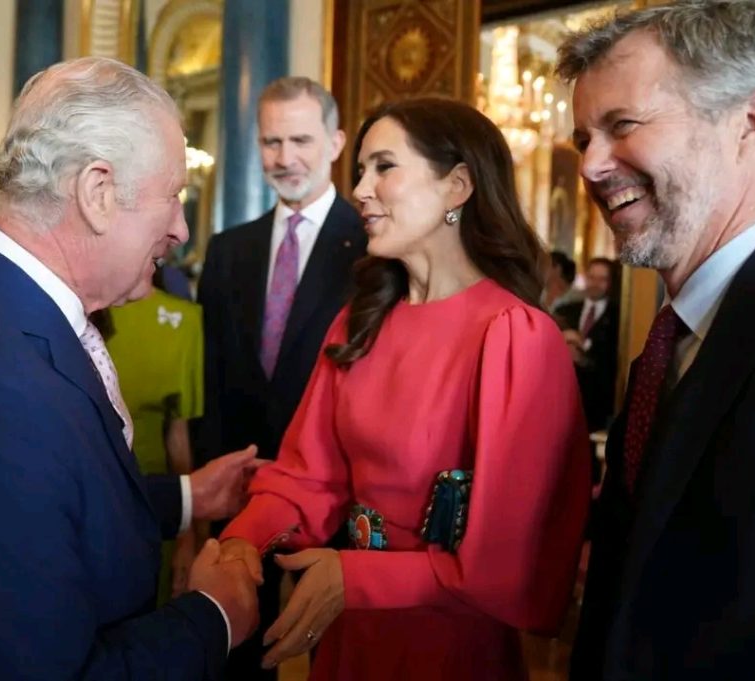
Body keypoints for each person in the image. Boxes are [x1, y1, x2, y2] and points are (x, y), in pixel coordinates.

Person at [0, 57, 264, 680]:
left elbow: (45, 504)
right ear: (98, 193)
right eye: (172, 196)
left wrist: (184, 495)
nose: (181, 227)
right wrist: (214, 615)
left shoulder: (5, 304)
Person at [219, 98, 591, 681]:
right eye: (360, 170)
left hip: (448, 643)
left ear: (457, 186)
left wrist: (356, 578)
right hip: (347, 630)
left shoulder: (514, 335)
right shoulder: (358, 322)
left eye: (384, 168)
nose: (361, 190)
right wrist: (245, 540)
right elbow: (308, 476)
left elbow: (511, 561)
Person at [557, 2, 755, 679]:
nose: (589, 167)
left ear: (752, 120)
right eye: (582, 139)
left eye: (623, 125)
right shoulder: (665, 343)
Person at [196, 75, 366, 680]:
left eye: (300, 139)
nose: (285, 158)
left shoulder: (375, 249)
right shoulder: (226, 251)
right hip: (241, 487)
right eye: (271, 142)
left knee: (339, 656)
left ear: (336, 142)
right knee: (239, 651)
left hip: (337, 492)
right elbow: (212, 378)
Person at [106, 264, 206, 600]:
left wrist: (187, 536)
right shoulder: (71, 307)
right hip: (71, 504)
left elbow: (179, 437)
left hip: (151, 502)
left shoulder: (183, 321)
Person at [556, 257, 619, 432]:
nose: (595, 283)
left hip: (597, 404)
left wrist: (583, 358)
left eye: (602, 279)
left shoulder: (619, 317)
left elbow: (613, 362)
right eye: (592, 277)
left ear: (611, 282)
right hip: (562, 399)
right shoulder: (564, 312)